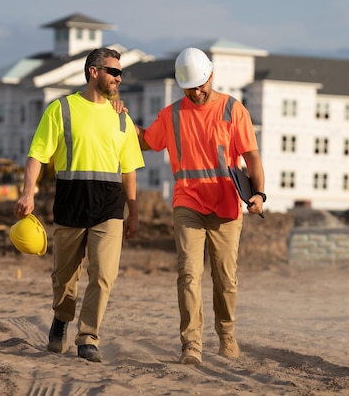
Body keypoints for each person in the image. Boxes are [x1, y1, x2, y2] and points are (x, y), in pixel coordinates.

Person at [136, 47, 265, 365]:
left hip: (225, 205)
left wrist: (259, 194)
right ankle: (191, 344)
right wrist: (120, 118)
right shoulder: (171, 115)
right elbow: (145, 142)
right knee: (189, 274)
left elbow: (251, 157)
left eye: (200, 84)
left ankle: (227, 335)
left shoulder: (233, 110)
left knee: (224, 277)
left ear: (211, 75)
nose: (196, 91)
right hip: (187, 202)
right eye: (189, 86)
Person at [15, 47, 144, 362]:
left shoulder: (122, 119)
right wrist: (27, 192)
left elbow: (129, 168)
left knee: (103, 274)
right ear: (93, 72)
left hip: (109, 207)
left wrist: (134, 211)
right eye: (113, 72)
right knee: (64, 277)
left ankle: (88, 338)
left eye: (120, 73)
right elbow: (38, 154)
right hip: (71, 203)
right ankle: (61, 317)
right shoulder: (61, 109)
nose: (119, 78)